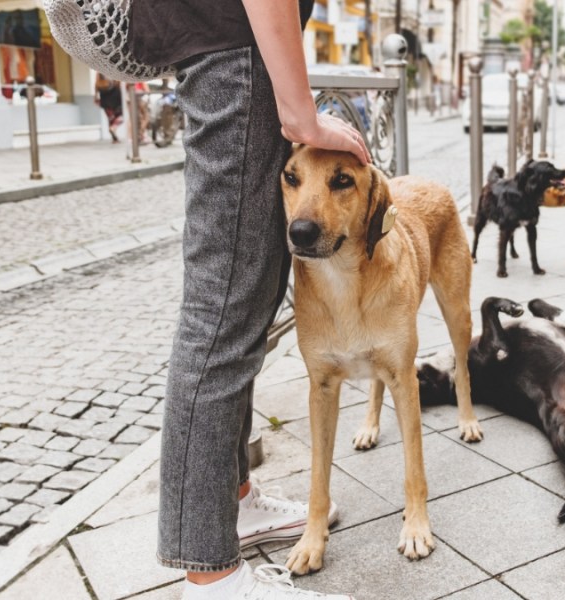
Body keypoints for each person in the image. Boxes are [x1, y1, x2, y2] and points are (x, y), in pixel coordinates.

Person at [128, 1, 369, 599]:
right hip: (235, 56)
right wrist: (302, 117)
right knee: (222, 316)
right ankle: (212, 577)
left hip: (237, 52)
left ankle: (235, 502)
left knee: (249, 301)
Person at [94, 73, 122, 143]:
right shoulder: (115, 69)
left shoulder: (100, 70)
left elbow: (96, 84)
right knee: (120, 116)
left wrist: (95, 96)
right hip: (116, 97)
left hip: (104, 98)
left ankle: (114, 138)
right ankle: (114, 128)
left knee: (110, 118)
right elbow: (120, 83)